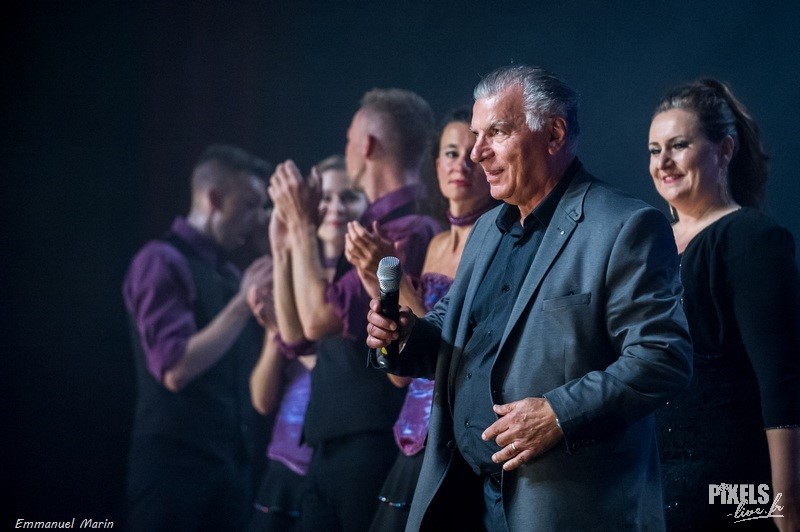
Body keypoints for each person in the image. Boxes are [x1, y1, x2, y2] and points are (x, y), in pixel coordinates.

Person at [365, 64, 694, 531]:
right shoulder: (486, 231)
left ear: (554, 134)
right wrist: (401, 335)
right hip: (463, 498)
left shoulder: (623, 227)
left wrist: (560, 413)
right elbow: (448, 338)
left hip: (563, 509)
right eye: (476, 135)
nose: (478, 153)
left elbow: (663, 357)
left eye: (495, 132)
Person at [268, 88, 442, 532]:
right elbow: (297, 337)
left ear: (365, 145)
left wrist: (305, 224)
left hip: (370, 440)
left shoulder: (410, 227)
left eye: (348, 139)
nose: (346, 150)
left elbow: (315, 319)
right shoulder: (372, 225)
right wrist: (285, 243)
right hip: (327, 441)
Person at [647, 79, 800, 531]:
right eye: (654, 150)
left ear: (725, 149)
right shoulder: (648, 245)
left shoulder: (753, 238)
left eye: (678, 145)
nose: (664, 162)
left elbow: (782, 379)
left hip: (727, 482)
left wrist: (785, 504)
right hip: (651, 481)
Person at [344, 106, 496, 532]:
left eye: (472, 154)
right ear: (435, 164)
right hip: (410, 430)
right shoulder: (435, 246)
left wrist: (385, 267)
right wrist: (377, 283)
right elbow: (401, 374)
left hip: (453, 431)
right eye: (450, 153)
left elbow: (450, 354)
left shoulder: (494, 242)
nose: (461, 165)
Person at [122, 144, 273, 531]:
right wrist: (242, 305)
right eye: (250, 205)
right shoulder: (160, 260)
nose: (257, 219)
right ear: (214, 199)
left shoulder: (230, 273)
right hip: (175, 477)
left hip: (229, 472)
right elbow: (175, 368)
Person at [247, 155, 368, 532]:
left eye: (348, 196)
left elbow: (351, 369)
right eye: (325, 198)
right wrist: (274, 335)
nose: (334, 208)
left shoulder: (359, 283)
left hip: (337, 454)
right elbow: (262, 399)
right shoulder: (292, 274)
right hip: (284, 459)